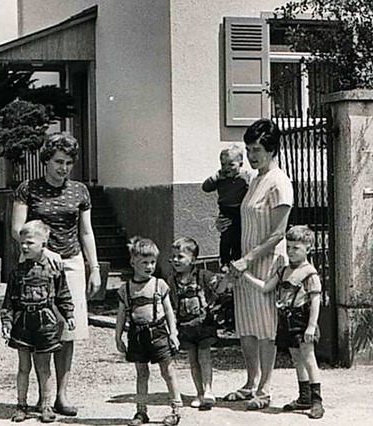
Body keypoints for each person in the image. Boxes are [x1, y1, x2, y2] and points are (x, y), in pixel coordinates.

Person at [11, 132, 101, 416]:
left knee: (67, 330)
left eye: (69, 162)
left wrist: (94, 267)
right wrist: (43, 252)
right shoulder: (28, 188)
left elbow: (86, 231)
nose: (64, 167)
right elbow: (17, 230)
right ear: (46, 160)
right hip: (35, 265)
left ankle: (60, 395)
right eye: (59, 161)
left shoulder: (79, 191)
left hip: (71, 263)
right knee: (40, 329)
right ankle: (42, 398)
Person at [224, 118, 293, 410]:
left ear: (272, 149)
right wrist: (227, 223)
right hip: (246, 263)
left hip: (267, 264)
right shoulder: (255, 180)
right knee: (247, 326)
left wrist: (248, 260)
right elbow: (250, 219)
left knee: (265, 328)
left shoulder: (280, 182)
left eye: (256, 149)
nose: (251, 156)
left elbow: (278, 233)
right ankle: (250, 382)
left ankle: (266, 388)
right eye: (248, 149)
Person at [240, 225, 325, 419]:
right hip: (286, 320)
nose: (291, 251)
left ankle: (317, 401)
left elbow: (315, 301)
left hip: (303, 320)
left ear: (309, 248)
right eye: (289, 247)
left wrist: (311, 326)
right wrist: (245, 275)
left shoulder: (309, 273)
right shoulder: (283, 270)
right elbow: (266, 287)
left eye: (297, 248)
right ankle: (304, 398)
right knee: (296, 358)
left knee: (309, 359)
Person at [1, 220, 75, 423]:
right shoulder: (17, 272)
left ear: (44, 243)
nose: (24, 247)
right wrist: (7, 322)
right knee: (23, 367)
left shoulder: (53, 270)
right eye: (22, 243)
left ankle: (46, 405)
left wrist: (69, 315)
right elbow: (9, 301)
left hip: (46, 322)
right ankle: (21, 405)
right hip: (23, 323)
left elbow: (63, 295)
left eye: (30, 243)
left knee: (44, 367)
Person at [115, 237, 182, 426]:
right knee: (141, 373)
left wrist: (173, 333)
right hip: (137, 334)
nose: (149, 266)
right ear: (133, 263)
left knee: (168, 371)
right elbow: (121, 315)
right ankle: (141, 411)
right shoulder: (125, 289)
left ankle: (176, 409)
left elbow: (169, 310)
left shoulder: (159, 285)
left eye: (152, 262)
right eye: (144, 262)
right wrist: (118, 336)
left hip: (158, 332)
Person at [166, 237, 227, 410]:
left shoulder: (203, 276)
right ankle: (199, 393)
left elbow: (219, 289)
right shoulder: (172, 280)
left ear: (192, 259)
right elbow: (170, 303)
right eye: (174, 257)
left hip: (203, 324)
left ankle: (208, 390)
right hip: (185, 326)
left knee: (204, 356)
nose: (176, 260)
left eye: (180, 257)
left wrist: (226, 276)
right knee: (192, 360)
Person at [201, 146, 252, 270]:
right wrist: (214, 177)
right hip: (226, 210)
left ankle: (237, 258)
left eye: (231, 164)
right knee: (226, 236)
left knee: (239, 235)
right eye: (223, 164)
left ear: (241, 164)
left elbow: (251, 191)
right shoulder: (220, 178)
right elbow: (206, 188)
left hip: (240, 211)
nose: (226, 168)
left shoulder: (244, 177)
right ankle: (224, 261)